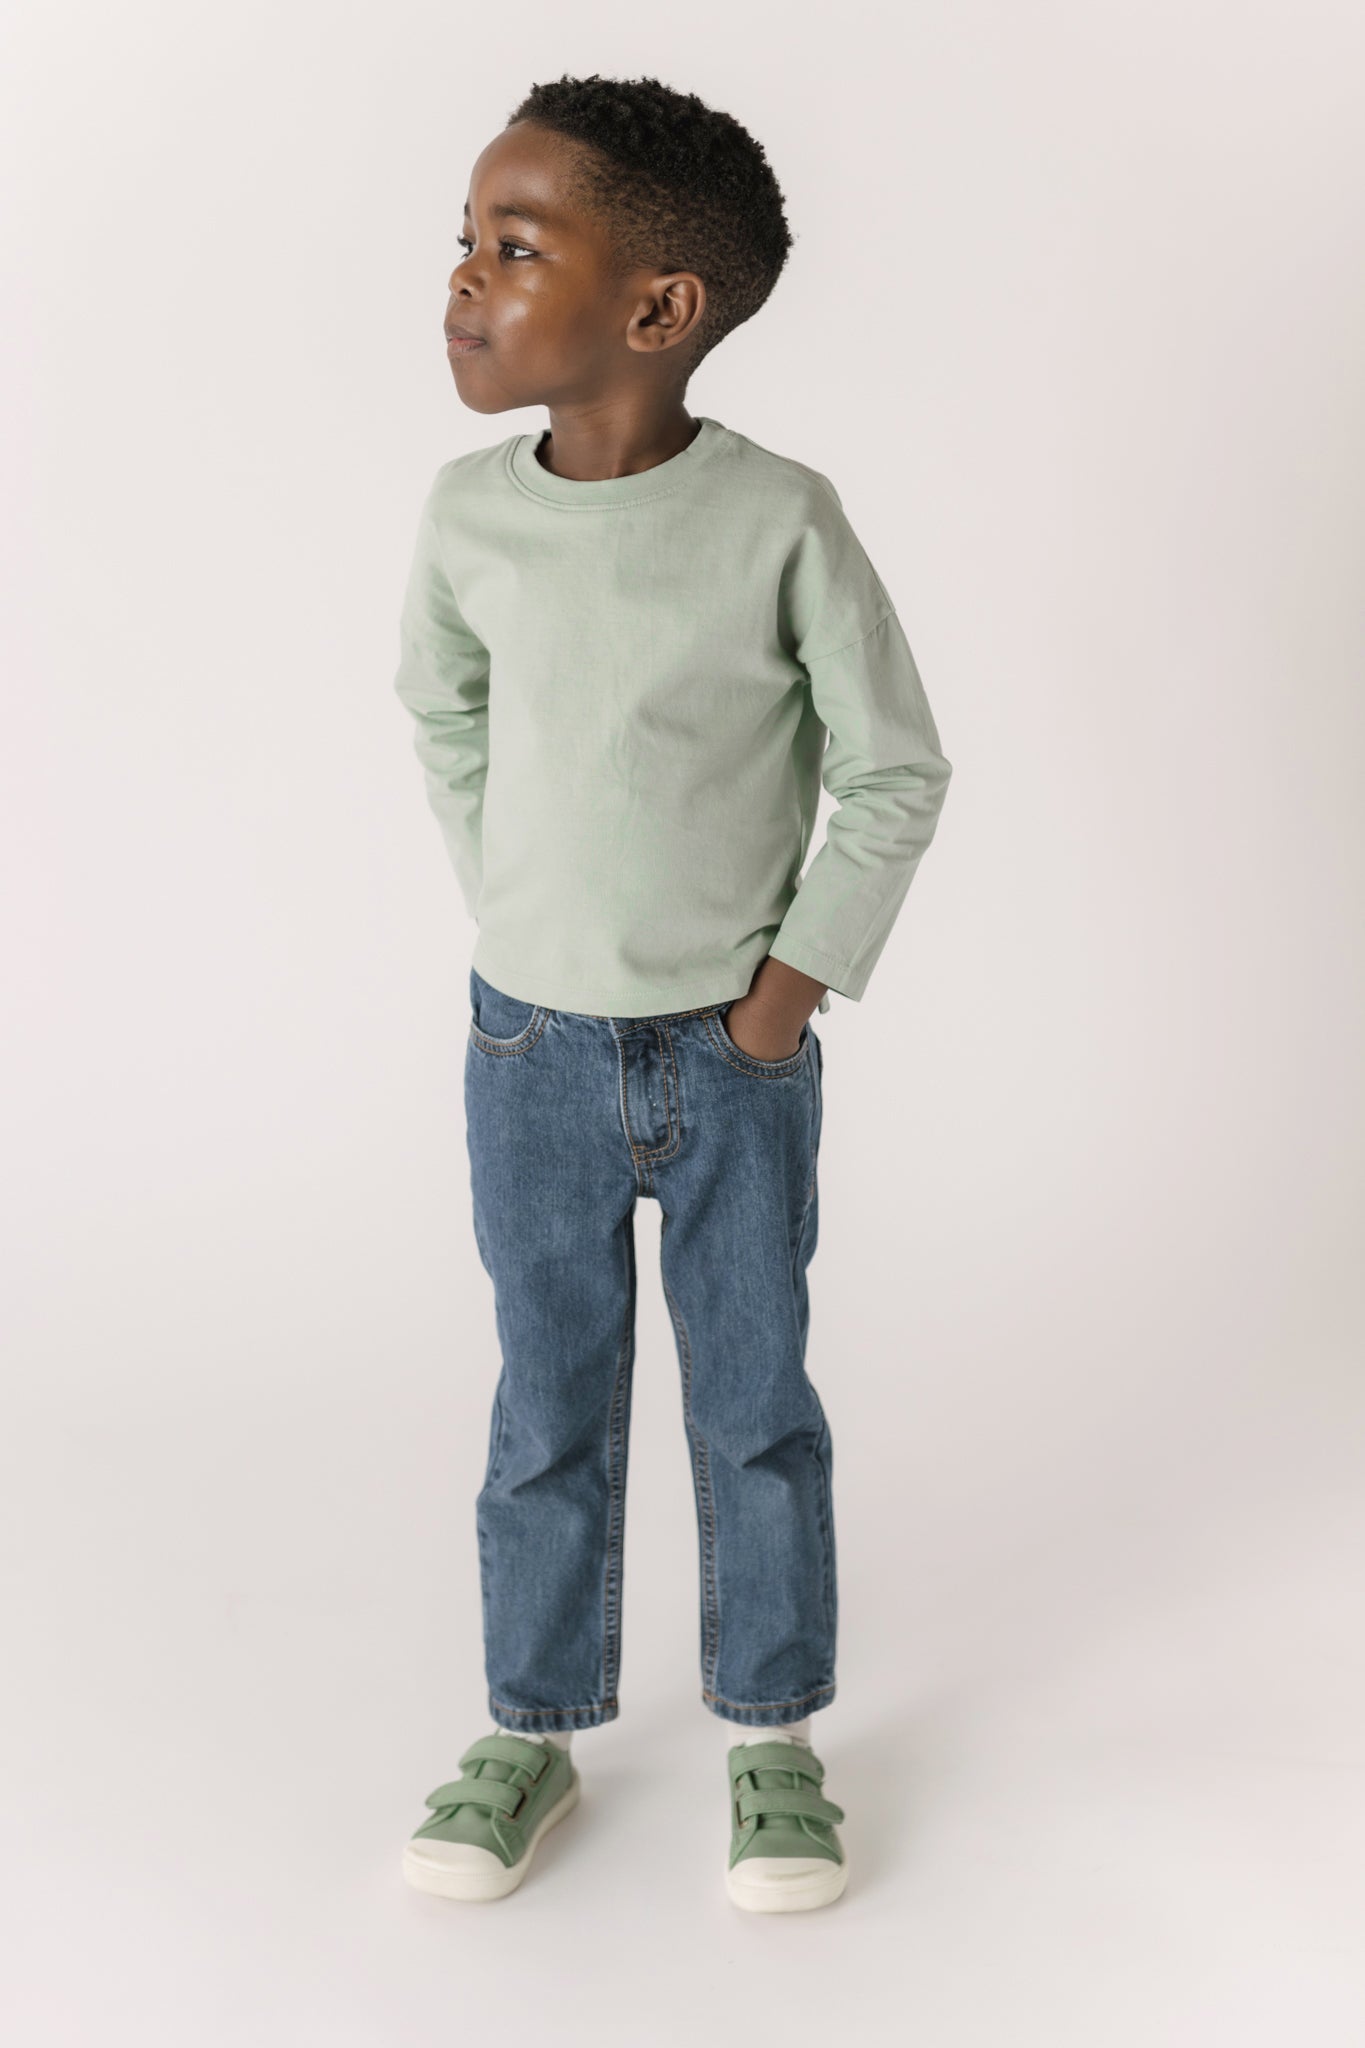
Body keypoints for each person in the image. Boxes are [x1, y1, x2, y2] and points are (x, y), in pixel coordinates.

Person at [391, 73, 952, 1914]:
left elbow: (894, 767)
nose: (461, 278)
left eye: (511, 246)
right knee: (545, 1403)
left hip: (733, 1060)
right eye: (464, 241)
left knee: (752, 1403)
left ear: (658, 306)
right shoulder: (467, 520)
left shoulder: (779, 519)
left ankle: (774, 1731)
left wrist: (783, 995)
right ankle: (531, 1726)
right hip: (524, 1049)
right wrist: (519, 908)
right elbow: (445, 716)